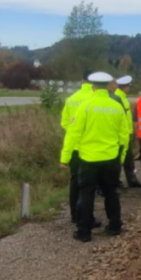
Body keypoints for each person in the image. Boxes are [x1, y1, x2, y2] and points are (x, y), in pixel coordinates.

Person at [60, 72, 129, 243]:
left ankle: (84, 231)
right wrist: (121, 156)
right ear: (108, 86)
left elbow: (72, 133)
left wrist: (65, 157)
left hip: (88, 159)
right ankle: (115, 225)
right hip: (111, 157)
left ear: (93, 87)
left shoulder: (85, 106)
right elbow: (124, 135)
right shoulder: (116, 106)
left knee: (86, 193)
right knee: (111, 192)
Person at [60, 72, 95, 225]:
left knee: (74, 182)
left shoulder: (71, 98)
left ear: (82, 81)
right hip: (90, 147)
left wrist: (75, 133)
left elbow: (65, 123)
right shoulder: (94, 99)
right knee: (88, 185)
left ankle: (74, 215)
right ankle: (87, 217)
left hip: (74, 147)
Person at [113, 75, 141, 189]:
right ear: (126, 87)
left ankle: (130, 180)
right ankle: (123, 181)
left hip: (126, 132)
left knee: (128, 159)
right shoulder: (118, 98)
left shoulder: (122, 97)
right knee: (124, 158)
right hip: (123, 134)